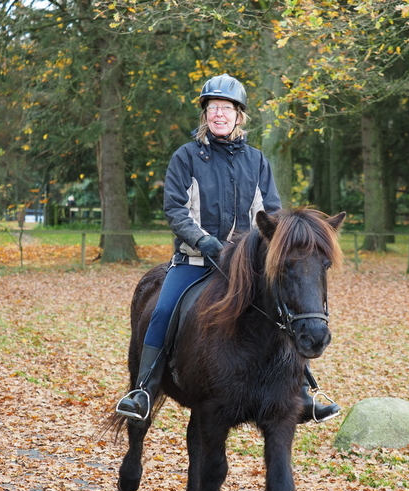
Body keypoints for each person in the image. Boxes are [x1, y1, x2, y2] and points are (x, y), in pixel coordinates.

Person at [116, 73, 340, 425]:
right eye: (213, 107)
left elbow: (272, 213)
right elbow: (175, 208)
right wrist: (201, 239)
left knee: (288, 306)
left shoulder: (256, 161)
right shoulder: (186, 157)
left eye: (227, 108)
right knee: (161, 312)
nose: (219, 114)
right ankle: (143, 389)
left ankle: (302, 391)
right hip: (194, 260)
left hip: (244, 266)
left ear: (239, 115)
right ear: (205, 115)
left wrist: (259, 248)